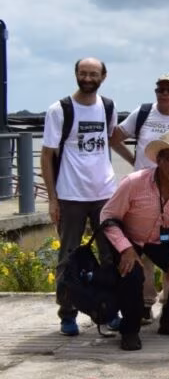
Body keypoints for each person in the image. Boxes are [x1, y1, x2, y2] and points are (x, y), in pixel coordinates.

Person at [40, 57, 123, 336]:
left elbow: (112, 139)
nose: (88, 78)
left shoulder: (108, 106)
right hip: (70, 195)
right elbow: (47, 154)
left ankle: (110, 310)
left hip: (105, 194)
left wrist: (139, 162)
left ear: (104, 76)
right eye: (83, 73)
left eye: (93, 74)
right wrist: (52, 199)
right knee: (68, 258)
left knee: (110, 255)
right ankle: (67, 314)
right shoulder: (59, 109)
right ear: (76, 74)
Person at [111, 73, 169, 323]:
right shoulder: (143, 112)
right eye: (160, 89)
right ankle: (145, 303)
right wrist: (132, 161)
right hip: (142, 193)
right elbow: (114, 138)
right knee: (144, 257)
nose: (164, 94)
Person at [101, 129, 169, 351]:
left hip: (158, 238)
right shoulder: (134, 182)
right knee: (132, 275)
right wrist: (126, 249)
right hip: (127, 236)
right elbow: (107, 218)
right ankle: (130, 330)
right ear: (159, 160)